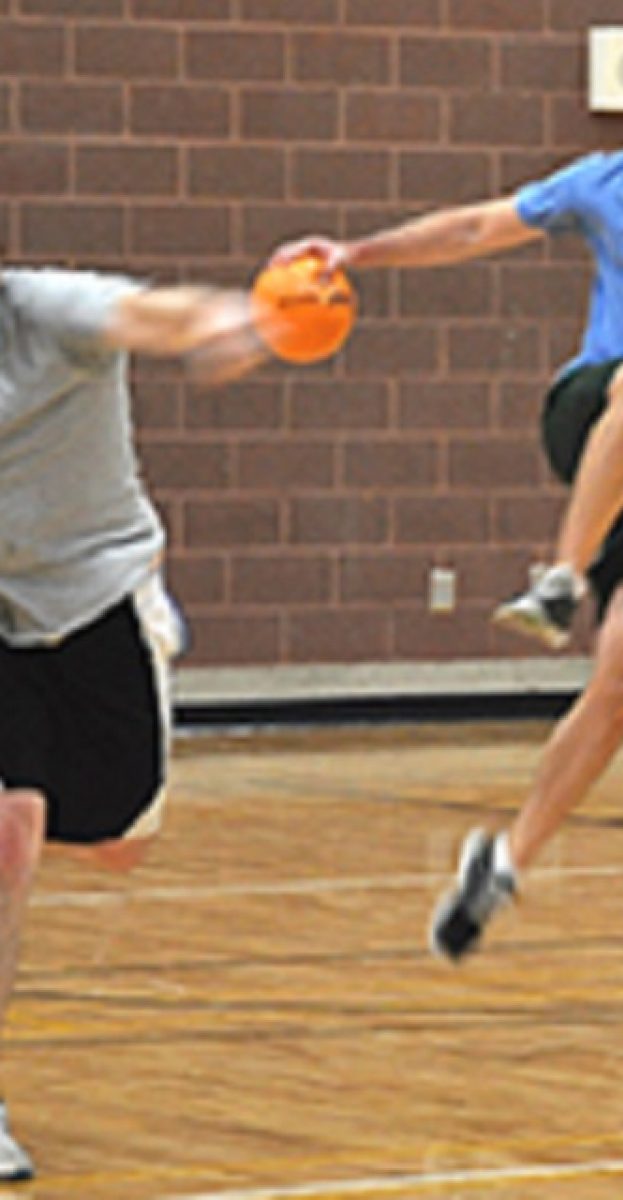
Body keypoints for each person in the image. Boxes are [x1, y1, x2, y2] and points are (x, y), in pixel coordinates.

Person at [271, 13, 623, 961]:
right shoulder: (606, 182)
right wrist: (359, 254)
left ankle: (503, 862)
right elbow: (475, 226)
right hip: (597, 407)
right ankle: (562, 576)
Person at [0, 263, 267, 1179]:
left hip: (94, 594)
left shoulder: (40, 311)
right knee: (10, 827)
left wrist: (213, 321)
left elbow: (148, 312)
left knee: (116, 834)